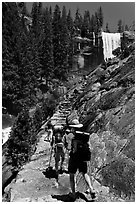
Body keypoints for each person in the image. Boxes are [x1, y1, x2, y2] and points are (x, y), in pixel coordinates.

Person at [67, 119, 96, 200]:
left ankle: (73, 194)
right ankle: (91, 189)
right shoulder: (84, 135)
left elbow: (73, 149)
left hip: (75, 158)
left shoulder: (72, 136)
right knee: (85, 173)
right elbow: (89, 146)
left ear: (73, 127)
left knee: (72, 175)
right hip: (83, 158)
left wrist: (71, 151)